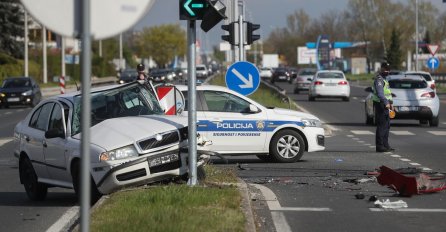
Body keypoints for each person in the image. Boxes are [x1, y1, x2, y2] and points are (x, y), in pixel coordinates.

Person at [372, 62, 394, 152]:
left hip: (387, 104)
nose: (387, 71)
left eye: (388, 69)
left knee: (387, 125)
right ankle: (380, 146)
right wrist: (386, 102)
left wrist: (391, 103)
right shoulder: (379, 80)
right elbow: (380, 93)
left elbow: (388, 93)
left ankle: (386, 145)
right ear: (381, 69)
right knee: (382, 125)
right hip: (381, 104)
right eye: (385, 69)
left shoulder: (385, 79)